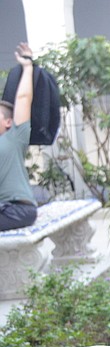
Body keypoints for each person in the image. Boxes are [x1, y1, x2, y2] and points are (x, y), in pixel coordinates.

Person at [0, 42, 37, 232]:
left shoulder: (15, 137)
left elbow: (23, 99)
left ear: (8, 122)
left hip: (18, 210)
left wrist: (27, 66)